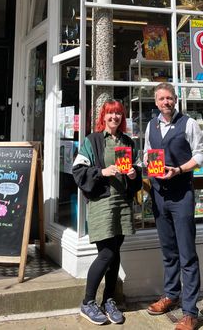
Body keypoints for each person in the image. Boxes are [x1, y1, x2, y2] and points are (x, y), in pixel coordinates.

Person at [73, 99, 142, 326]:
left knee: (116, 253)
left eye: (119, 114)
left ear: (122, 118)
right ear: (103, 117)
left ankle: (109, 300)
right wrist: (102, 171)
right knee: (106, 254)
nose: (114, 118)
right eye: (110, 114)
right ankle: (88, 302)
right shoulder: (92, 141)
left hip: (122, 203)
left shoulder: (128, 142)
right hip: (102, 204)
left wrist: (133, 175)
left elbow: (138, 173)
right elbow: (78, 171)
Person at [144, 83, 203, 330]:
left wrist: (179, 169)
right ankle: (171, 295)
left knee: (187, 254)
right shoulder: (151, 125)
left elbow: (201, 156)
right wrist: (146, 165)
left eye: (169, 98)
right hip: (159, 195)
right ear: (156, 101)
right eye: (161, 99)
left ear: (175, 99)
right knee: (168, 251)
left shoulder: (188, 124)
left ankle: (190, 312)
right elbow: (148, 153)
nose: (165, 102)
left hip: (182, 195)